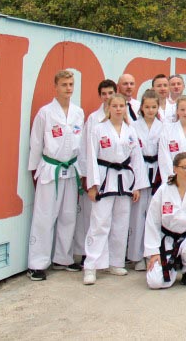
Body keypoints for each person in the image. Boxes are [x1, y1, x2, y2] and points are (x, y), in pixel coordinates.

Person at [83, 94, 148, 284]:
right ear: (108, 108)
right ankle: (91, 266)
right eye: (115, 106)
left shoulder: (130, 131)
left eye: (122, 106)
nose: (119, 109)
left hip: (124, 180)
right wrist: (93, 185)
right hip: (104, 179)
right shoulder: (98, 129)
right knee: (99, 222)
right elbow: (91, 158)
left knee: (121, 222)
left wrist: (137, 186)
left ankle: (115, 262)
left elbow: (137, 159)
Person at [27, 69, 85, 280]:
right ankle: (37, 263)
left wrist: (83, 171)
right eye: (64, 85)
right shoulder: (45, 113)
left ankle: (63, 258)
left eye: (71, 85)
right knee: (44, 217)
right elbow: (36, 142)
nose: (68, 88)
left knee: (69, 216)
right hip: (51, 170)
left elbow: (82, 145)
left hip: (72, 169)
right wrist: (34, 170)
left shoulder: (78, 112)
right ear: (56, 87)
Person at [144, 152, 186, 288]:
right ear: (175, 168)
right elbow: (152, 221)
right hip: (167, 239)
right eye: (184, 167)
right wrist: (154, 252)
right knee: (155, 282)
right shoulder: (164, 190)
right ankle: (172, 264)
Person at [74, 79, 117, 263]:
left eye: (110, 93)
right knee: (92, 217)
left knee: (111, 219)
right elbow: (85, 148)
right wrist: (86, 176)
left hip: (116, 175)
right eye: (104, 94)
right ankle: (87, 254)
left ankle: (110, 258)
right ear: (100, 96)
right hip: (95, 172)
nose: (107, 97)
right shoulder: (93, 118)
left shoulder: (121, 117)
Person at [127, 90, 164, 271]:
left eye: (153, 107)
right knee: (137, 216)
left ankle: (152, 253)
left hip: (157, 170)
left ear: (158, 108)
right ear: (141, 107)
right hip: (139, 169)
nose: (150, 110)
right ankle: (135, 256)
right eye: (147, 107)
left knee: (154, 215)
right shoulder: (133, 126)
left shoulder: (163, 126)